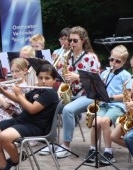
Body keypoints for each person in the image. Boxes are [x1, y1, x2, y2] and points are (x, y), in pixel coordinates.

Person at [0, 64, 59, 170]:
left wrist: (18, 93)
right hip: (21, 121)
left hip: (35, 126)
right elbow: (20, 100)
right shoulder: (38, 90)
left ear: (54, 80)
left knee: (3, 137)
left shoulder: (50, 94)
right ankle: (4, 166)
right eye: (41, 78)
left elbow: (32, 109)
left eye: (47, 78)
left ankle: (15, 159)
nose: (43, 81)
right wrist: (3, 91)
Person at [42, 26, 101, 158]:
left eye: (75, 41)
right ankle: (52, 141)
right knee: (50, 105)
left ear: (83, 41)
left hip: (89, 95)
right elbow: (64, 78)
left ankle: (66, 145)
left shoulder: (91, 57)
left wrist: (78, 77)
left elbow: (97, 81)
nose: (71, 44)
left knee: (68, 110)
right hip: (73, 94)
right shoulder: (67, 57)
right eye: (70, 40)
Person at [82, 45, 132, 165]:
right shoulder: (106, 72)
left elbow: (128, 96)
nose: (113, 63)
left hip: (117, 106)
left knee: (104, 122)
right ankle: (93, 150)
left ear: (124, 62)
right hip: (104, 104)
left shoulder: (126, 75)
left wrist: (111, 97)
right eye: (111, 59)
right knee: (95, 122)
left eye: (117, 61)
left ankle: (109, 152)